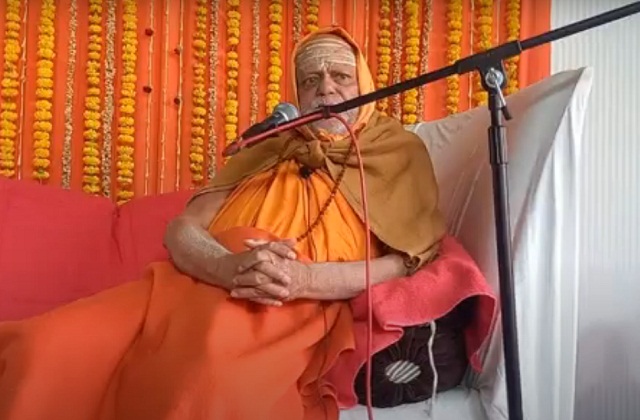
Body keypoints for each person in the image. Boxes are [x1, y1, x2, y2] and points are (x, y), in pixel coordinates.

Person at [0, 27, 449, 420]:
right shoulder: (267, 145)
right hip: (194, 283)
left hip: (289, 304)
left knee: (199, 383)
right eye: (310, 80)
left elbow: (405, 262)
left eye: (340, 76)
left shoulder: (395, 151)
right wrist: (225, 266)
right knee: (43, 348)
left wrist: (302, 279)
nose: (325, 89)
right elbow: (181, 230)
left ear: (364, 83)